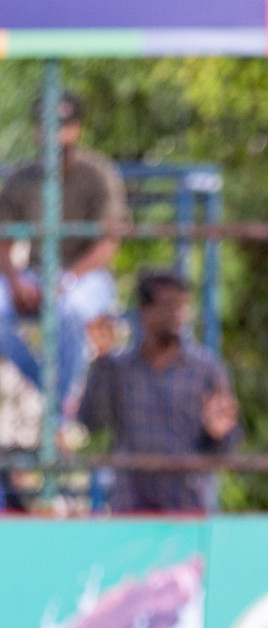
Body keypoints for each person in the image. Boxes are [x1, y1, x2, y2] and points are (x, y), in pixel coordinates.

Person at [0, 91, 127, 412]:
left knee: (70, 310)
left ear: (77, 128)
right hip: (36, 273)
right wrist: (16, 283)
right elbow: (3, 240)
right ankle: (52, 397)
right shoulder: (22, 177)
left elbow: (108, 242)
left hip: (85, 276)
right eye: (47, 125)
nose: (55, 133)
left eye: (63, 125)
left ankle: (58, 415)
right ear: (36, 130)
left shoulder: (97, 173)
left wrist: (66, 280)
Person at [77, 270, 240, 512]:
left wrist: (219, 433)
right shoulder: (120, 369)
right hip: (131, 502)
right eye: (169, 305)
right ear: (145, 312)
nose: (179, 314)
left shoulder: (205, 370)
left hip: (186, 503)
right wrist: (101, 362)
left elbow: (226, 445)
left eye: (183, 305)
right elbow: (91, 420)